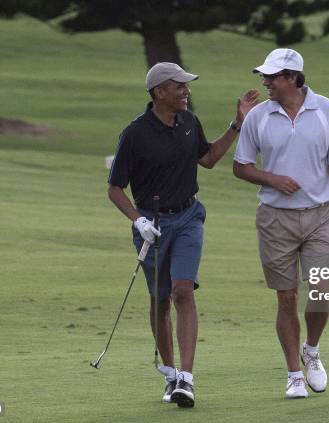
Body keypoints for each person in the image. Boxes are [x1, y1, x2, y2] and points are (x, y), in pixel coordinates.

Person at [108, 62, 259, 408]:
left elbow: (207, 158)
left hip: (189, 217)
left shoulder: (189, 122)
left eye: (186, 86)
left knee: (182, 291)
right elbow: (115, 189)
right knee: (160, 301)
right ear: (160, 92)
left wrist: (237, 124)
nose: (186, 91)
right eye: (179, 87)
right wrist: (136, 221)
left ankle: (186, 380)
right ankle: (171, 373)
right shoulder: (134, 134)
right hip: (152, 226)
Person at [233, 48, 329, 399]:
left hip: (320, 215)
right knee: (286, 297)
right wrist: (272, 179)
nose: (265, 82)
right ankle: (293, 375)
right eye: (265, 76)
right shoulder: (258, 116)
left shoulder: (326, 110)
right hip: (275, 219)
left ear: (291, 77)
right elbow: (241, 167)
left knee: (320, 292)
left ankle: (312, 351)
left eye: (272, 77)